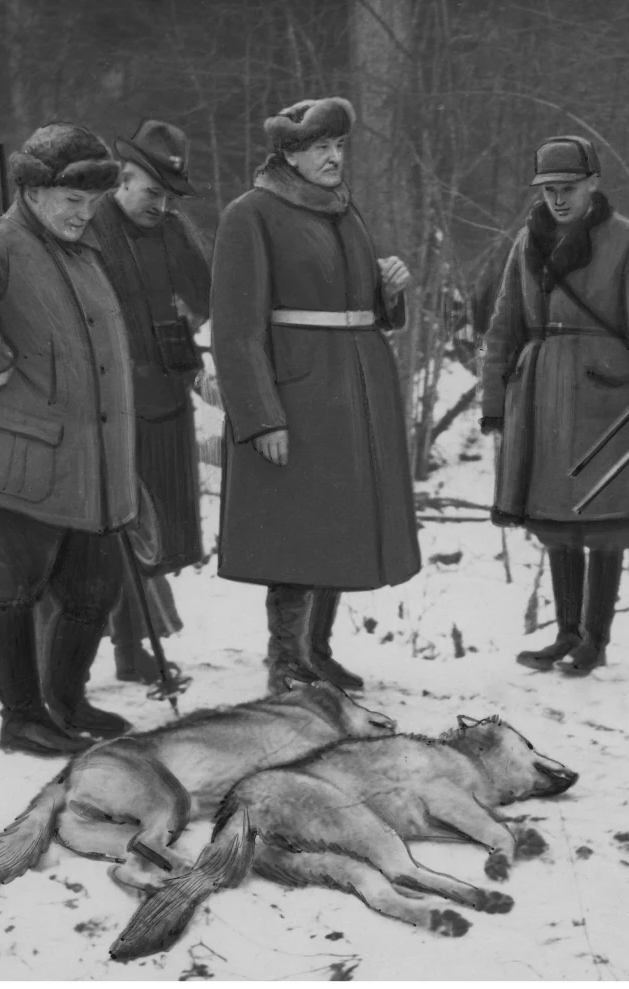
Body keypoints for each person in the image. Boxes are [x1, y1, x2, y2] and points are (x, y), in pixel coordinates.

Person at [0, 123, 135, 756]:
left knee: (96, 588)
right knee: (15, 585)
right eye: (71, 198)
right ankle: (22, 717)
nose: (84, 210)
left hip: (86, 465)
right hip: (17, 460)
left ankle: (65, 704)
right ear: (33, 191)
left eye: (92, 198)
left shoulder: (82, 253)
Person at [211, 97, 418, 694]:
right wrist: (260, 418)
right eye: (320, 148)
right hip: (297, 397)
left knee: (337, 524)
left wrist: (390, 291)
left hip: (353, 394)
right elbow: (235, 329)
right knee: (297, 530)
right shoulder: (250, 215)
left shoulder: (342, 210)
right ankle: (287, 662)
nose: (333, 158)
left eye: (338, 146)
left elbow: (363, 310)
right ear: (290, 155)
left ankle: (317, 652)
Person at [480, 136, 629, 677]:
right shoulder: (528, 243)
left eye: (568, 187)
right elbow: (504, 324)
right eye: (548, 190)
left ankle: (595, 638)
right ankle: (566, 632)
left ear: (593, 183)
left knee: (604, 515)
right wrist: (495, 399)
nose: (558, 199)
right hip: (540, 392)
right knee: (555, 515)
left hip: (607, 394)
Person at [91, 119, 212, 684]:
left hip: (166, 397)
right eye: (151, 191)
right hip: (108, 405)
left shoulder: (175, 231)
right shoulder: (90, 227)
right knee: (107, 531)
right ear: (123, 178)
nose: (159, 205)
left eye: (168, 195)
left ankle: (132, 650)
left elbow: (209, 295)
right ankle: (96, 657)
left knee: (153, 535)